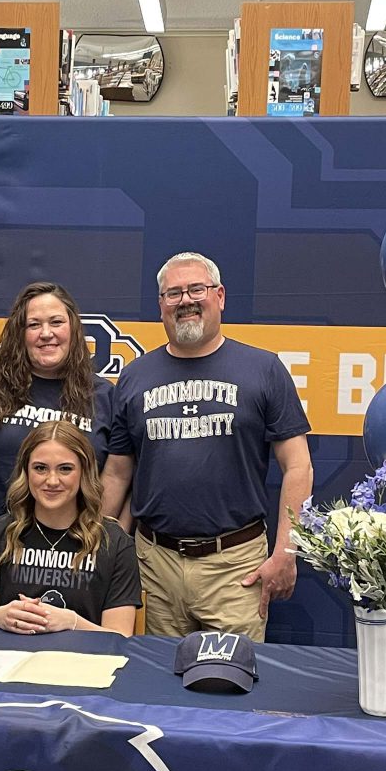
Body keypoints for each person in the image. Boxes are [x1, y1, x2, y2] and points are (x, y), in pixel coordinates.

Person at [101, 251, 312, 641]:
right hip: (153, 564)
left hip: (235, 566)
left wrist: (287, 550)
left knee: (232, 686)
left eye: (196, 289)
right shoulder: (133, 377)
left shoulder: (264, 369)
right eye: (173, 293)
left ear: (220, 296)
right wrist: (98, 545)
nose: (186, 300)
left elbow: (298, 466)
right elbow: (117, 471)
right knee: (154, 684)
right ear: (161, 305)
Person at [0, 281, 114, 557]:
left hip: (69, 559)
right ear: (19, 333)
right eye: (34, 325)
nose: (46, 334)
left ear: (73, 328)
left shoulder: (103, 396)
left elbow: (118, 475)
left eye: (56, 322)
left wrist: (99, 543)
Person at [0, 421, 140, 636]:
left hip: (85, 664)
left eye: (65, 469)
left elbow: (120, 638)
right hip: (8, 661)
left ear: (84, 472)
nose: (52, 480)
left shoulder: (115, 542)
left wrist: (71, 621)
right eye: (40, 468)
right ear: (25, 472)